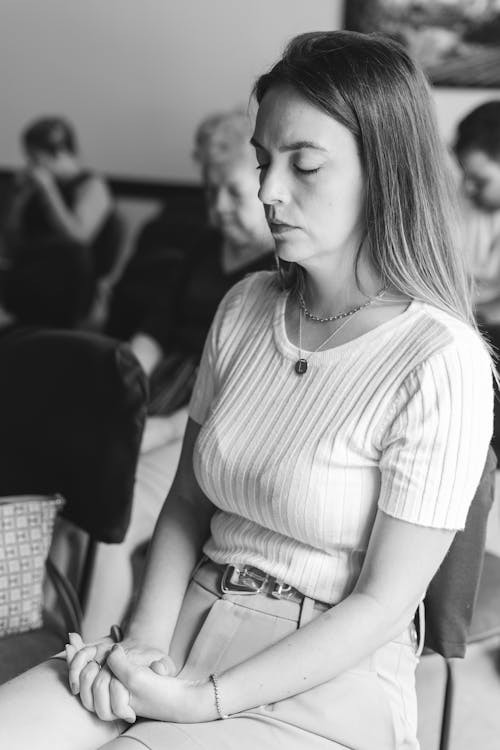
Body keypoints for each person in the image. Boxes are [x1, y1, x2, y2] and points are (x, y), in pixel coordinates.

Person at [0, 30, 493, 750]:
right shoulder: (245, 305)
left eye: (305, 165)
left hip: (319, 673)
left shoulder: (438, 356)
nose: (269, 191)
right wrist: (141, 644)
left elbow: (385, 604)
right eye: (264, 161)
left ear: (384, 172)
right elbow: (188, 501)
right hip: (186, 619)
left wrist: (203, 702)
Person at [80, 109, 274, 639]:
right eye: (209, 193)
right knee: (72, 477)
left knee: (110, 514)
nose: (218, 209)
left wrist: (161, 429)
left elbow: (252, 386)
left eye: (232, 193)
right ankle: (59, 630)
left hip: (215, 413)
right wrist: (115, 391)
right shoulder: (205, 246)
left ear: (266, 178)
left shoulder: (285, 269)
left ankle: (90, 655)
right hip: (162, 389)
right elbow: (153, 332)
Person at [0, 116, 121, 327]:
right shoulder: (33, 189)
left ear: (60, 153)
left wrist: (49, 191)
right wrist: (19, 199)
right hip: (29, 273)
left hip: (71, 284)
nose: (32, 165)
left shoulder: (92, 185)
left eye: (36, 158)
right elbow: (13, 245)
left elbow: (78, 238)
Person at [453, 100, 500, 454]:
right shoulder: (463, 203)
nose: (468, 188)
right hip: (463, 319)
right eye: (464, 176)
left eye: (479, 179)